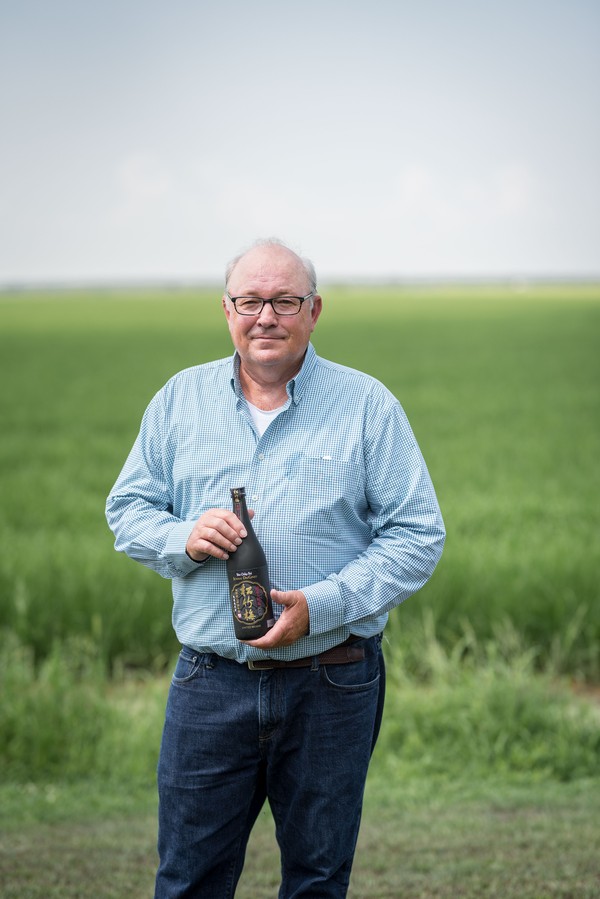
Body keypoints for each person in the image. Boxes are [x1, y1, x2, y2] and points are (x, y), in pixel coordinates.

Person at [106, 237, 445, 898]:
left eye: (284, 301)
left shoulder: (368, 405)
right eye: (250, 300)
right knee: (189, 880)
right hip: (211, 682)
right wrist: (184, 534)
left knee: (317, 881)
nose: (266, 316)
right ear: (226, 309)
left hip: (333, 678)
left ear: (314, 310)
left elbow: (416, 535)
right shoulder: (179, 401)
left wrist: (321, 605)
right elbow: (127, 509)